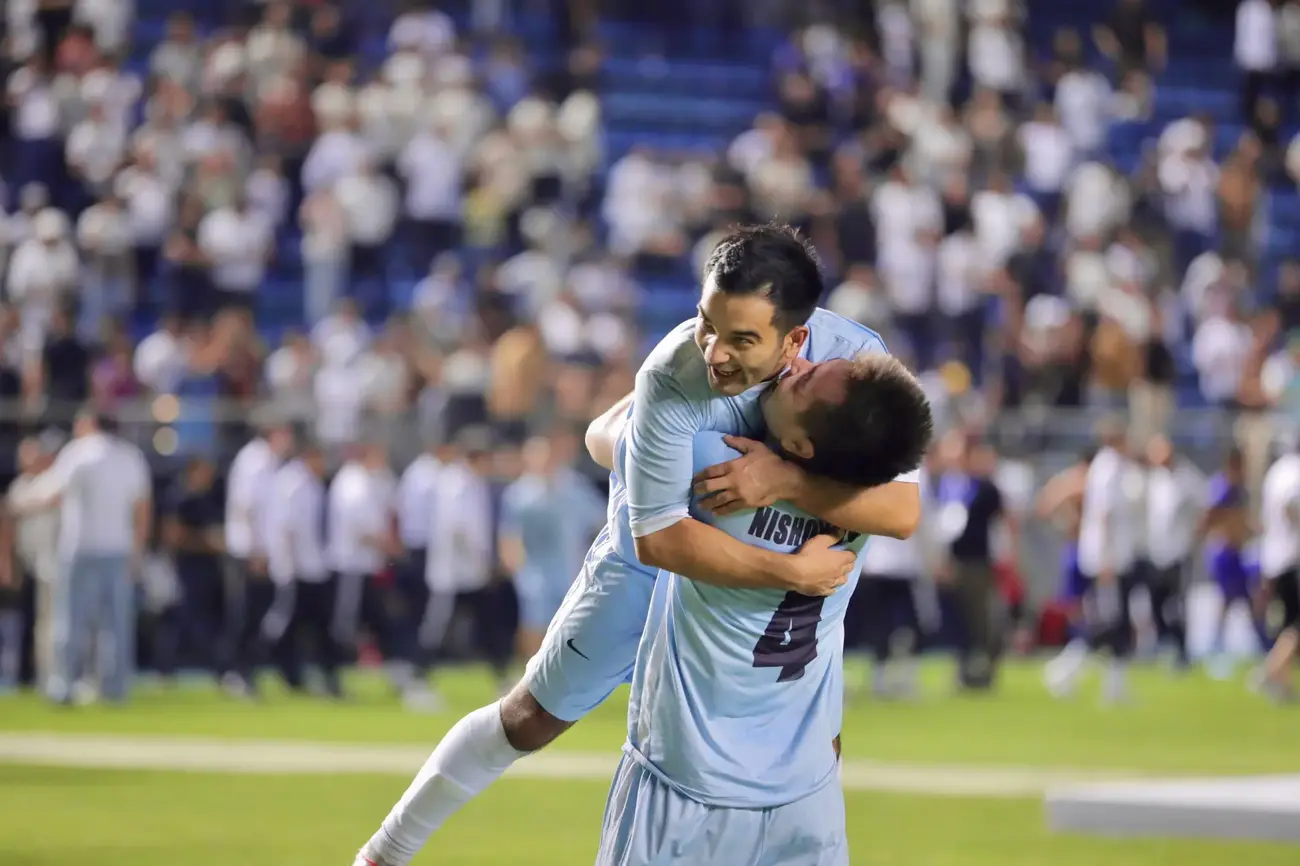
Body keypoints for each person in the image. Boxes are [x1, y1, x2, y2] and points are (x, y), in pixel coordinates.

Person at [354, 224, 923, 866]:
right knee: (532, 716)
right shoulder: (677, 372)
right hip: (652, 548)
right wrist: (790, 564)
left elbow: (903, 510)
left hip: (766, 565)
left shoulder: (853, 361)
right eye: (706, 323)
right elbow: (653, 527)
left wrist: (784, 480)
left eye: (742, 339)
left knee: (811, 731)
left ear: (797, 341)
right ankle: (384, 852)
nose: (715, 353)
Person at [585, 351, 932, 866]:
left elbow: (601, 436)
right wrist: (794, 484)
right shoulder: (866, 508)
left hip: (686, 783)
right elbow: (904, 510)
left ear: (801, 445)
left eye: (805, 382)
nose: (797, 366)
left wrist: (698, 359)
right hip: (805, 792)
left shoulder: (714, 463)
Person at [9, 409, 151, 704]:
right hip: (118, 548)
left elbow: (53, 494)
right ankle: (114, 689)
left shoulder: (79, 452)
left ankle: (64, 685)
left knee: (70, 621)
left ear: (90, 423)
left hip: (80, 548)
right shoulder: (131, 457)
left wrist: (17, 506)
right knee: (116, 624)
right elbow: (142, 509)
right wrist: (137, 549)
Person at [1045, 418, 1142, 703]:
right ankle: (1065, 669)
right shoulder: (1108, 469)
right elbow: (1104, 515)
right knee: (1108, 623)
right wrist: (1106, 558)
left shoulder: (1113, 467)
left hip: (1113, 557)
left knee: (1116, 623)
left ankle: (1114, 685)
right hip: (1108, 560)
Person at [499, 429, 607, 665]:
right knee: (534, 623)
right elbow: (510, 534)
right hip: (534, 569)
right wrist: (514, 564)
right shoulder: (518, 494)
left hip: (570, 568)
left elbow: (601, 520)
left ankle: (567, 671)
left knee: (572, 623)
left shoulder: (574, 486)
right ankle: (531, 670)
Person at [263, 436, 339, 697]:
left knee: (316, 625)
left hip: (314, 567)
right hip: (297, 570)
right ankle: (259, 663)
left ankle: (313, 675)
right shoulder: (292, 484)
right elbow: (285, 529)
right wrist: (287, 568)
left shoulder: (311, 483)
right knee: (287, 625)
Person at [1201, 447, 1262, 678]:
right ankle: (1217, 649)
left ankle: (1258, 646)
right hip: (1224, 553)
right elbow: (1208, 517)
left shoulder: (1239, 490)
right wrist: (1223, 532)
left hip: (1237, 553)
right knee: (1232, 600)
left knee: (1242, 599)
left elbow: (1241, 519)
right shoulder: (1223, 487)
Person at [1255, 439, 1300, 700]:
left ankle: (1282, 685)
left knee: (1288, 622)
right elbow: (1290, 506)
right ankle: (1269, 671)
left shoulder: (1278, 470)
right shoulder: (1294, 471)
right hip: (1292, 557)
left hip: (1273, 554)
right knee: (1296, 624)